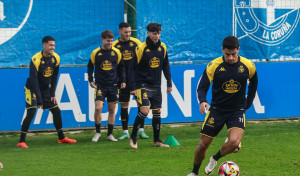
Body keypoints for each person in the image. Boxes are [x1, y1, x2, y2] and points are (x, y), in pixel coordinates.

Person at [187, 36, 258, 176]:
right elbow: (202, 87)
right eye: (227, 54)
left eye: (233, 54)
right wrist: (202, 101)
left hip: (236, 111)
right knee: (202, 145)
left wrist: (248, 103)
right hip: (216, 111)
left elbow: (254, 83)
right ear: (222, 50)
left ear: (238, 50)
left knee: (234, 141)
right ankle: (194, 172)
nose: (230, 58)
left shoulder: (248, 65)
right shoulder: (214, 66)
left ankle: (214, 158)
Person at [17, 36, 77, 148]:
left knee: (56, 111)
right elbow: (34, 80)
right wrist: (39, 99)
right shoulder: (36, 59)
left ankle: (61, 138)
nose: (52, 47)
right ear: (44, 45)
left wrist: (52, 93)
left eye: (54, 45)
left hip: (46, 90)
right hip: (32, 89)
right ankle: (21, 141)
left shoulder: (56, 58)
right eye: (50, 45)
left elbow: (54, 77)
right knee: (31, 112)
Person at [128, 23, 172, 149]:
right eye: (154, 33)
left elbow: (166, 66)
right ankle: (133, 137)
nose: (156, 36)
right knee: (144, 110)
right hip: (142, 84)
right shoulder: (141, 48)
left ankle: (157, 140)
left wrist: (169, 83)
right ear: (148, 33)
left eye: (158, 33)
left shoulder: (163, 47)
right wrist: (132, 87)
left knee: (157, 111)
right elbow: (131, 69)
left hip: (156, 85)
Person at [112, 22, 149, 140]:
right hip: (122, 81)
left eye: (129, 32)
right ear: (119, 32)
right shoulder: (114, 45)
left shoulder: (136, 43)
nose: (128, 34)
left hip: (137, 80)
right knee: (124, 104)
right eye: (125, 32)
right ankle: (125, 131)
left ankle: (141, 130)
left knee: (141, 104)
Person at [87, 30, 126, 142]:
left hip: (113, 86)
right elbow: (90, 66)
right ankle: (98, 132)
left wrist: (123, 80)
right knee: (98, 108)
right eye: (108, 41)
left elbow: (121, 67)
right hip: (100, 86)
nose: (110, 43)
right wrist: (91, 79)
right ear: (102, 40)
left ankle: (109, 134)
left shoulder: (116, 52)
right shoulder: (96, 53)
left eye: (111, 41)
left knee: (112, 109)